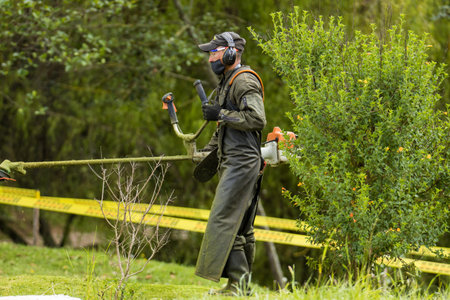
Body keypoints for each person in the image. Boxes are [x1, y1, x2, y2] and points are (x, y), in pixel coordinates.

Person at [195, 31, 266, 295]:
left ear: (229, 53)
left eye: (214, 52)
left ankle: (239, 288)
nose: (211, 57)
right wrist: (206, 152)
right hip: (234, 161)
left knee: (223, 220)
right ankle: (240, 286)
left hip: (243, 162)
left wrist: (220, 113)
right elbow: (223, 130)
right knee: (240, 225)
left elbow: (257, 119)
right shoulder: (227, 81)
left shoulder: (243, 80)